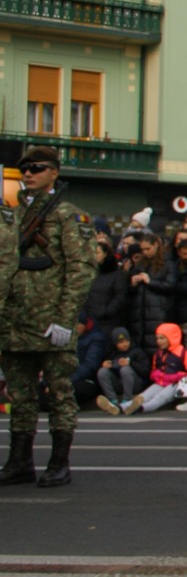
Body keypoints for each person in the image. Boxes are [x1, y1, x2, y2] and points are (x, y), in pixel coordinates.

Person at [0, 145, 97, 488]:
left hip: (50, 320)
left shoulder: (69, 216)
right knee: (20, 396)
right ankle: (20, 461)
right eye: (25, 168)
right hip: (15, 321)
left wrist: (66, 319)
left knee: (58, 393)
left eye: (37, 168)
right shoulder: (12, 216)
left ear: (54, 172)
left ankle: (59, 462)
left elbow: (81, 270)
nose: (28, 173)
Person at [71, 239, 129, 405]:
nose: (93, 255)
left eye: (96, 252)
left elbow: (120, 297)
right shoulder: (88, 273)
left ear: (105, 254)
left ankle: (108, 391)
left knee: (105, 356)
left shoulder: (115, 275)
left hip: (108, 322)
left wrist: (106, 311)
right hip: (89, 321)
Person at [121, 322, 187, 414]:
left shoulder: (185, 354)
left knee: (160, 397)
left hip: (177, 385)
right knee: (145, 395)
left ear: (171, 337)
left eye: (162, 338)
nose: (158, 341)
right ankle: (122, 407)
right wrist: (156, 374)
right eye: (157, 338)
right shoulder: (158, 354)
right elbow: (153, 370)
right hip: (161, 382)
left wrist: (176, 377)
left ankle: (141, 408)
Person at [125, 233, 176, 351]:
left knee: (156, 347)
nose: (145, 252)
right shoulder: (140, 265)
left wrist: (150, 282)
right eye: (143, 250)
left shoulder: (168, 264)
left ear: (156, 245)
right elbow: (130, 292)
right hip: (139, 314)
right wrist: (132, 284)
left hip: (159, 313)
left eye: (148, 249)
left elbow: (170, 286)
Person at [94, 327, 149, 415]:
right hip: (118, 383)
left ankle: (127, 400)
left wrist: (130, 363)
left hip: (134, 383)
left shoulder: (137, 351)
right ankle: (112, 401)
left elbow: (145, 370)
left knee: (125, 369)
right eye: (121, 342)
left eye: (127, 341)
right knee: (102, 371)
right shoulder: (112, 352)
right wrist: (106, 365)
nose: (125, 344)